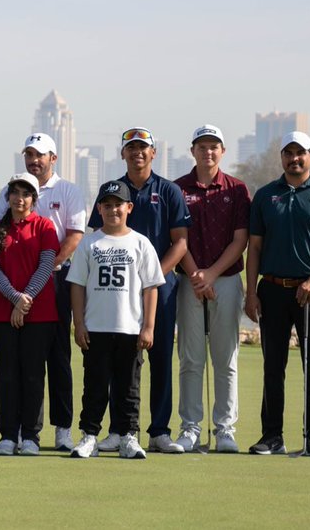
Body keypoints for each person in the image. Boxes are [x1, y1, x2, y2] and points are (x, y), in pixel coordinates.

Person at [245, 131, 310, 457]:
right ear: (282, 158)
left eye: (300, 153)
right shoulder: (265, 196)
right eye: (288, 153)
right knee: (273, 366)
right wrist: (251, 293)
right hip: (272, 289)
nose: (294, 159)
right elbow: (254, 249)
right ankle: (272, 436)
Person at [89, 128, 189, 454]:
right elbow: (97, 234)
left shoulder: (169, 191)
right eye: (131, 149)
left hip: (160, 287)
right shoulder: (111, 191)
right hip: (117, 291)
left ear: (153, 153)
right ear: (122, 154)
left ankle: (159, 430)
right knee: (120, 361)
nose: (137, 153)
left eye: (143, 148)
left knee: (160, 357)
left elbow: (180, 243)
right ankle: (119, 430)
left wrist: (151, 278)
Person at [0, 133, 86, 451]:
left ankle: (62, 428)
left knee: (57, 357)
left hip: (58, 280)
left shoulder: (68, 190)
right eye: (29, 155)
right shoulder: (9, 191)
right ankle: (17, 431)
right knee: (18, 362)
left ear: (53, 158)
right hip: (14, 285)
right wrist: (18, 294)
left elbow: (74, 235)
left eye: (40, 155)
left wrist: (49, 269)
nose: (34, 160)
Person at [68, 181, 165, 460]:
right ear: (99, 208)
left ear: (129, 208)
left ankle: (128, 437)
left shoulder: (140, 243)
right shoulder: (89, 242)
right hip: (96, 328)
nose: (113, 210)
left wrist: (148, 326)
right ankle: (89, 436)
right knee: (95, 385)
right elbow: (77, 285)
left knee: (128, 387)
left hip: (129, 328)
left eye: (118, 205)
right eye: (107, 205)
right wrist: (79, 323)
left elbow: (151, 287)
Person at [173, 125, 250, 454]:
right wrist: (196, 275)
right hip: (189, 280)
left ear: (223, 151)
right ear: (192, 151)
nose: (208, 152)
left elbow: (240, 239)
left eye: (214, 146)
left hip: (227, 279)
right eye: (202, 146)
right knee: (190, 359)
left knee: (225, 358)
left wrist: (212, 275)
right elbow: (178, 239)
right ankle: (190, 427)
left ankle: (225, 429)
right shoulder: (178, 189)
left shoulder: (236, 189)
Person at [0, 174, 60, 456]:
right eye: (14, 192)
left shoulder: (44, 226)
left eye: (26, 193)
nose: (20, 198)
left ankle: (30, 436)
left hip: (39, 314)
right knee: (8, 375)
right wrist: (16, 299)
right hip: (3, 313)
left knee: (33, 375)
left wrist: (24, 300)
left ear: (34, 200)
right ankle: (8, 435)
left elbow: (46, 264)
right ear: (8, 197)